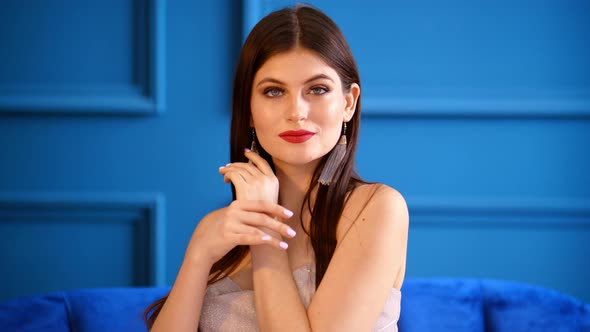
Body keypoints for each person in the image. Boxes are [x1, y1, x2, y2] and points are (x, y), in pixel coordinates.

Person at [144, 4, 408, 331]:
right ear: (250, 111)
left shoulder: (378, 208)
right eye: (273, 91)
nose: (296, 111)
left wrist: (267, 239)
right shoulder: (221, 230)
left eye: (317, 89)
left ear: (348, 102)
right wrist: (199, 251)